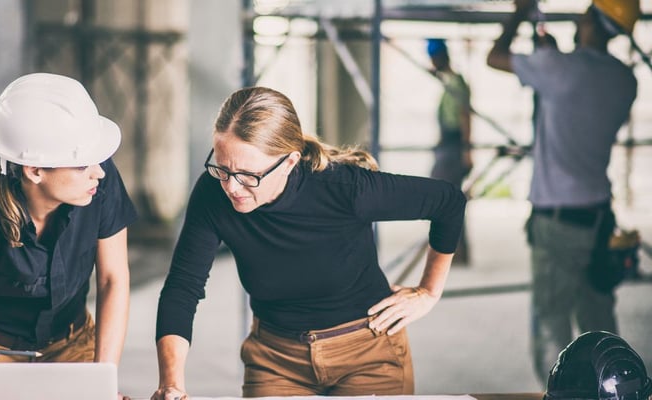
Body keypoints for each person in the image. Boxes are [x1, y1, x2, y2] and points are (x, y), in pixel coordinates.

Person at [152, 86, 466, 398]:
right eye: (223, 168)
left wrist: (428, 291)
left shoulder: (344, 188)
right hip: (274, 357)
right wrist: (172, 383)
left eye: (249, 175)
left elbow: (448, 202)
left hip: (367, 351)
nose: (232, 187)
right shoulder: (212, 192)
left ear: (289, 162)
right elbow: (183, 286)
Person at [0, 73, 138, 369]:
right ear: (35, 171)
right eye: (82, 165)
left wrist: (103, 378)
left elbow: (112, 280)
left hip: (74, 344)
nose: (99, 172)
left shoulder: (97, 182)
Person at [486, 0, 639, 384]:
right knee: (599, 321)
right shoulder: (625, 80)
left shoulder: (560, 69)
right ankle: (611, 390)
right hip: (600, 218)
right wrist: (550, 58)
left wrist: (520, 13)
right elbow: (575, 91)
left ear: (592, 21)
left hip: (558, 223)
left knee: (553, 323)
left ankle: (563, 393)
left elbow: (495, 56)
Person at [426, 38, 472, 265]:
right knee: (448, 197)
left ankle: (455, 251)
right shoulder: (450, 83)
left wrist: (467, 151)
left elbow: (465, 117)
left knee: (447, 199)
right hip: (447, 146)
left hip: (454, 147)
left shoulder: (457, 84)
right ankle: (456, 251)